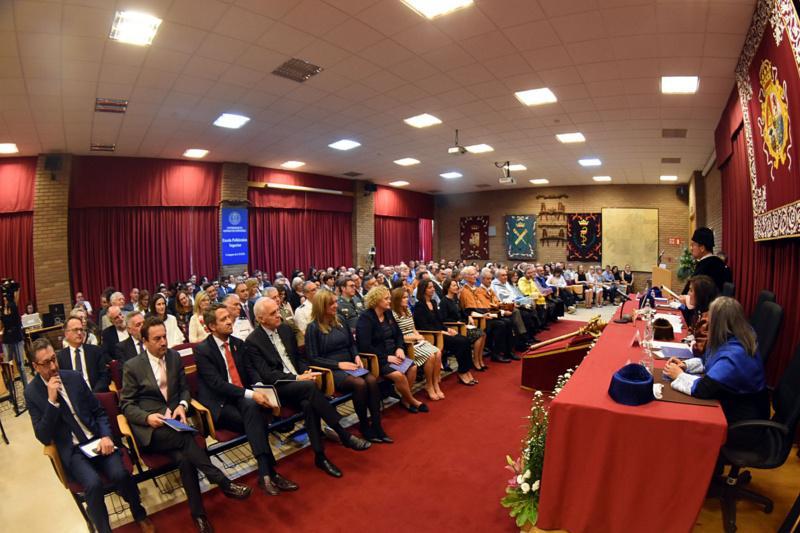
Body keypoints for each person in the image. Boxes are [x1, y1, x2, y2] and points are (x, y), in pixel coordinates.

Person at [120, 317, 251, 532]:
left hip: (175, 423)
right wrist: (147, 418)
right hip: (152, 430)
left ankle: (199, 516)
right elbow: (126, 405)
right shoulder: (132, 366)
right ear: (144, 341)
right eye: (157, 339)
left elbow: (184, 390)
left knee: (185, 459)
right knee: (187, 438)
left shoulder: (173, 357)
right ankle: (222, 481)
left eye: (164, 337)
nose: (163, 342)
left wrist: (182, 405)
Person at [25, 338, 155, 533]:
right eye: (46, 363)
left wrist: (106, 436)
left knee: (120, 474)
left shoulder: (73, 377)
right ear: (35, 367)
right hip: (73, 450)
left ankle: (139, 513)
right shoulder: (32, 392)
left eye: (54, 359)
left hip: (96, 439)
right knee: (93, 485)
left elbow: (99, 412)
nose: (53, 366)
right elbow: (43, 436)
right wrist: (52, 402)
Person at [244, 298, 371, 479]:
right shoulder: (253, 341)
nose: (278, 315)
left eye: (277, 310)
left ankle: (320, 456)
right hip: (278, 389)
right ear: (260, 319)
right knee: (310, 388)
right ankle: (343, 433)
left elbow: (297, 358)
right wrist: (298, 378)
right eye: (273, 314)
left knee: (308, 404)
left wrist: (306, 371)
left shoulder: (285, 329)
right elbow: (267, 375)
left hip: (301, 385)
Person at [195, 303, 297, 496]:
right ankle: (269, 473)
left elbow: (251, 372)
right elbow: (217, 384)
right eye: (223, 319)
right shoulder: (203, 350)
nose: (229, 321)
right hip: (221, 404)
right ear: (212, 326)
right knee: (256, 417)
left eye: (229, 317)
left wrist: (260, 389)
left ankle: (266, 474)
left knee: (253, 411)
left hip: (243, 400)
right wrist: (252, 394)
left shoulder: (238, 344)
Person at [664, 297, 769, 427]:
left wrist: (679, 375)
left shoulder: (734, 356)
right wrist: (685, 365)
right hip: (734, 400)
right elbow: (709, 361)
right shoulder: (736, 335)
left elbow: (703, 389)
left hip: (743, 419)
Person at [305, 290, 391, 443]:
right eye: (331, 303)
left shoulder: (340, 320)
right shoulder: (313, 328)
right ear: (321, 306)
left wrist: (357, 356)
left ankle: (377, 426)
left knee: (371, 380)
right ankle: (364, 426)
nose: (335, 306)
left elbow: (352, 344)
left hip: (350, 364)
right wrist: (338, 364)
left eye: (335, 302)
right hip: (332, 370)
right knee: (360, 384)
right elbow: (313, 358)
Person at [356, 286, 427, 413]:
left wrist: (399, 348)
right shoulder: (365, 318)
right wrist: (386, 357)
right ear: (376, 300)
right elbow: (364, 345)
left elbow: (399, 334)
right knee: (399, 376)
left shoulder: (388, 313)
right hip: (378, 360)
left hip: (394, 353)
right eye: (386, 298)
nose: (390, 301)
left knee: (413, 368)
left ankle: (405, 400)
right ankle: (412, 400)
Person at [414, 279, 475, 387]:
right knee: (460, 343)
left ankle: (466, 370)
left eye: (433, 287)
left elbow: (439, 321)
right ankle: (462, 372)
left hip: (441, 332)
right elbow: (424, 326)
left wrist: (447, 329)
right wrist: (442, 331)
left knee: (465, 340)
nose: (433, 289)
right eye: (430, 287)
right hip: (433, 336)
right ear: (423, 290)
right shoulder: (419, 306)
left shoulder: (433, 302)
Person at [391, 287, 444, 401]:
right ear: (397, 300)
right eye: (404, 298)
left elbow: (413, 328)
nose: (407, 300)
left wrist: (419, 337)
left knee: (438, 352)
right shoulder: (393, 314)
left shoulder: (407, 310)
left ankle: (435, 383)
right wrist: (415, 337)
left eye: (407, 297)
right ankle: (429, 385)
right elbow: (398, 336)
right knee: (430, 356)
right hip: (406, 343)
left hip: (415, 340)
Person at [439, 277, 487, 372]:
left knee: (483, 334)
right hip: (455, 327)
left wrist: (468, 316)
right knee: (479, 334)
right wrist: (456, 322)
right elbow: (443, 319)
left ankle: (479, 359)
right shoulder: (444, 301)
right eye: (454, 285)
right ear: (448, 288)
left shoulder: (456, 299)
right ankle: (475, 361)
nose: (456, 287)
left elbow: (462, 311)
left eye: (456, 285)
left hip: (462, 325)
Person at [57, 317, 110, 392]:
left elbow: (105, 376)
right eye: (75, 330)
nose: (79, 333)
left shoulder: (95, 351)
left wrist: (93, 394)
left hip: (96, 394)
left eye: (81, 330)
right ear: (66, 334)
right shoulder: (61, 357)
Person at [681, 227, 732, 294]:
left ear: (702, 248)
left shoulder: (706, 266)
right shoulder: (717, 262)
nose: (691, 248)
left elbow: (693, 293)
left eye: (693, 245)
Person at [684, 275, 718, 357]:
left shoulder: (708, 318)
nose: (688, 293)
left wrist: (691, 342)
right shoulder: (700, 311)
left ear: (700, 294)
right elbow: (691, 331)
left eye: (691, 290)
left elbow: (699, 350)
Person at [1, 291, 28, 384]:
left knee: (21, 366)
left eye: (6, 297)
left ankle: (26, 387)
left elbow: (16, 322)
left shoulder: (13, 307)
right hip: (6, 340)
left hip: (16, 338)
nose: (5, 299)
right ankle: (11, 389)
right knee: (8, 365)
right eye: (3, 298)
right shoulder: (1, 310)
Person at [293, 281, 318, 346]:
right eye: (313, 290)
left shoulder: (323, 305)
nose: (317, 291)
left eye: (317, 288)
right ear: (306, 294)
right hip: (314, 343)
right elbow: (304, 332)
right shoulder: (300, 311)